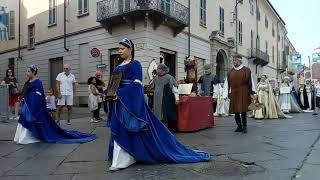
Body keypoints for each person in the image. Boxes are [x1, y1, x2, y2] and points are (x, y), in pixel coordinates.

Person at [106, 38, 210, 171]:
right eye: (118, 49)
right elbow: (113, 84)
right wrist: (108, 92)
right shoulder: (117, 67)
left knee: (131, 126)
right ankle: (122, 155)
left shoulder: (135, 64)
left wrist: (119, 93)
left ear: (130, 49)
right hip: (119, 103)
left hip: (129, 103)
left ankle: (126, 156)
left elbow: (137, 84)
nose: (119, 51)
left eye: (122, 48)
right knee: (120, 127)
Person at [13, 65, 96, 144]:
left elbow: (38, 95)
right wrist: (22, 97)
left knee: (32, 120)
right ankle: (22, 137)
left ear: (33, 72)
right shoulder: (28, 82)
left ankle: (28, 137)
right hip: (28, 106)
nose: (26, 73)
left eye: (28, 71)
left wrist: (28, 97)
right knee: (25, 119)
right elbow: (25, 92)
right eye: (26, 71)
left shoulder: (38, 82)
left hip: (33, 106)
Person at [227, 54, 254, 133]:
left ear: (240, 60)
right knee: (236, 110)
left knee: (243, 110)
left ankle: (244, 126)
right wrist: (228, 93)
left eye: (235, 60)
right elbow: (227, 83)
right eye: (233, 60)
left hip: (243, 91)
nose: (234, 62)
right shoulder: (230, 72)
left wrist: (252, 92)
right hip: (234, 92)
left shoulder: (247, 70)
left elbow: (250, 82)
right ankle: (239, 126)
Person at [153, 63, 179, 132]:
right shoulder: (156, 78)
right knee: (158, 113)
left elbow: (174, 88)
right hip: (157, 99)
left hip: (167, 98)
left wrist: (177, 99)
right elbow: (154, 87)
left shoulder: (169, 77)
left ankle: (173, 128)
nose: (157, 70)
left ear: (163, 70)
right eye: (157, 68)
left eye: (159, 69)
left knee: (169, 113)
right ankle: (161, 127)